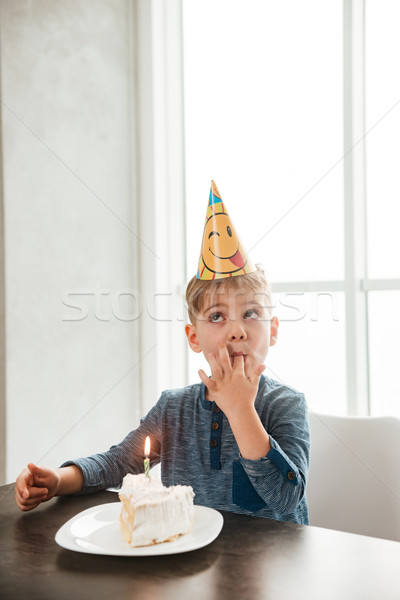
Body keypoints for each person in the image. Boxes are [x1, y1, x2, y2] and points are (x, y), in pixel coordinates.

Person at [15, 182, 310, 525]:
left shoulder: (287, 405)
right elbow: (120, 462)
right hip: (190, 561)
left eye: (251, 313)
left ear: (272, 331)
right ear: (193, 336)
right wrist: (60, 480)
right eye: (217, 316)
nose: (237, 329)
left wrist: (241, 409)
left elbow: (287, 498)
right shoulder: (175, 408)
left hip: (274, 567)